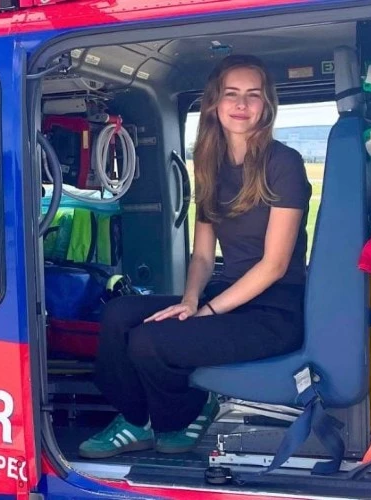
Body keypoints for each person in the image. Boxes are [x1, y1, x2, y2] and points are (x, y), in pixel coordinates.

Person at [79, 54, 312, 459]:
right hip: (228, 296)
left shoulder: (284, 163)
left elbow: (274, 265)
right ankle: (137, 420)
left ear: (266, 105)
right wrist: (190, 301)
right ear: (214, 104)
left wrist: (208, 312)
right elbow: (203, 255)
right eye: (231, 94)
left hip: (275, 311)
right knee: (118, 317)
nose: (242, 105)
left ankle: (184, 415)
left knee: (149, 342)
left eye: (252, 95)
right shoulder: (210, 166)